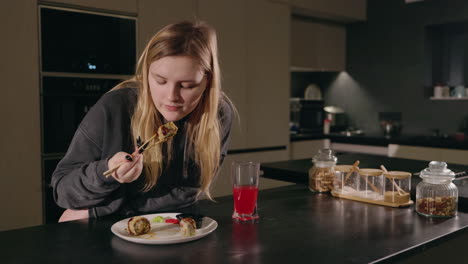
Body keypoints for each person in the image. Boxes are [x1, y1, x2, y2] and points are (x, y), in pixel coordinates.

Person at [51, 20, 234, 222]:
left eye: (188, 85)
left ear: (207, 83)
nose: (171, 96)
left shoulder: (218, 114)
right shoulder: (114, 107)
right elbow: (63, 191)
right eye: (160, 81)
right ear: (146, 74)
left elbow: (187, 193)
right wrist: (108, 171)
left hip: (174, 227)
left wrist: (101, 210)